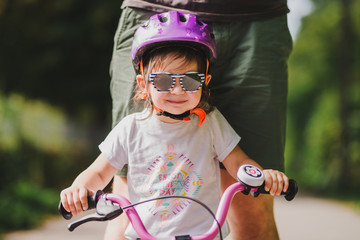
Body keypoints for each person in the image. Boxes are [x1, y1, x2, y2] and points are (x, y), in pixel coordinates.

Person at [60, 11, 290, 239]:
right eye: (163, 80)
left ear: (205, 81)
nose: (178, 91)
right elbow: (99, 172)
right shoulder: (130, 128)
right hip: (144, 235)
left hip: (204, 234)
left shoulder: (210, 123)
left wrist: (261, 175)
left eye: (190, 80)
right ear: (143, 84)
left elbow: (238, 162)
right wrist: (79, 188)